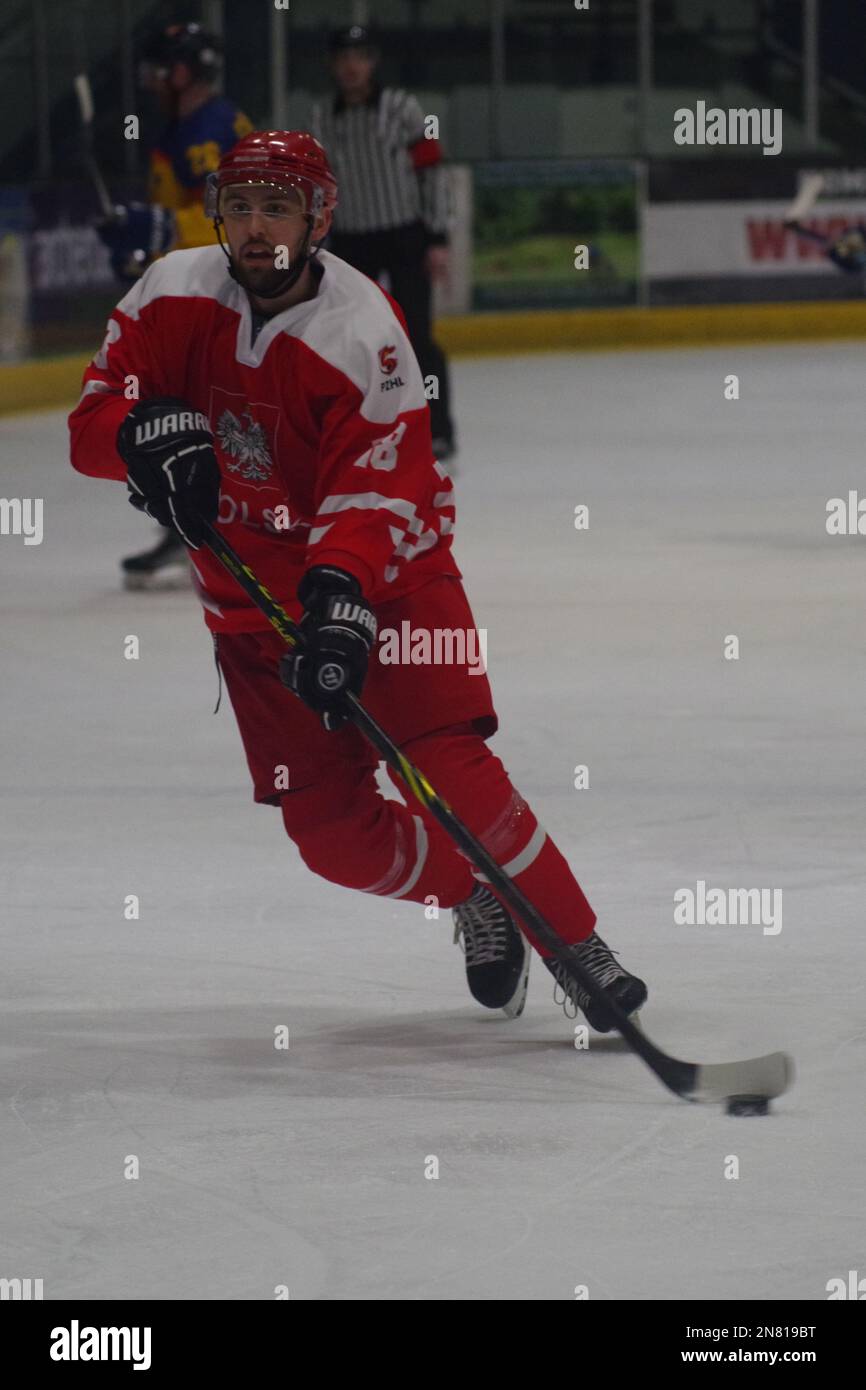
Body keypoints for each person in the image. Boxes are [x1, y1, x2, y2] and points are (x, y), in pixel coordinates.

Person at [69, 130, 647, 1031]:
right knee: (332, 838)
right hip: (250, 610)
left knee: (449, 769)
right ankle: (475, 894)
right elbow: (91, 420)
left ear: (320, 218)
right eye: (240, 207)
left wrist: (340, 597)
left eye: (278, 208)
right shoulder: (172, 293)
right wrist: (135, 438)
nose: (256, 228)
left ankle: (577, 948)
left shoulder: (364, 331)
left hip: (393, 584)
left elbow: (379, 487)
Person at [97, 21, 253, 591]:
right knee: (187, 411)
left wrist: (162, 229)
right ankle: (191, 520)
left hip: (226, 298)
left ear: (185, 71)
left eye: (163, 67)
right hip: (202, 295)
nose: (153, 78)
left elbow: (234, 217)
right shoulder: (182, 128)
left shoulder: (210, 130)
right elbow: (185, 221)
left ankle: (220, 522)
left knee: (211, 411)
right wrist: (140, 244)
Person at [312, 25, 456, 462]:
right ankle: (361, 427)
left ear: (372, 62)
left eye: (360, 56)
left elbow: (431, 169)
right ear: (333, 65)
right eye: (343, 57)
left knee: (416, 333)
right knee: (352, 339)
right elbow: (319, 183)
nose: (352, 66)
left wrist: (437, 237)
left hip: (405, 235)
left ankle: (437, 429)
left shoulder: (402, 108)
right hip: (352, 242)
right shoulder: (321, 117)